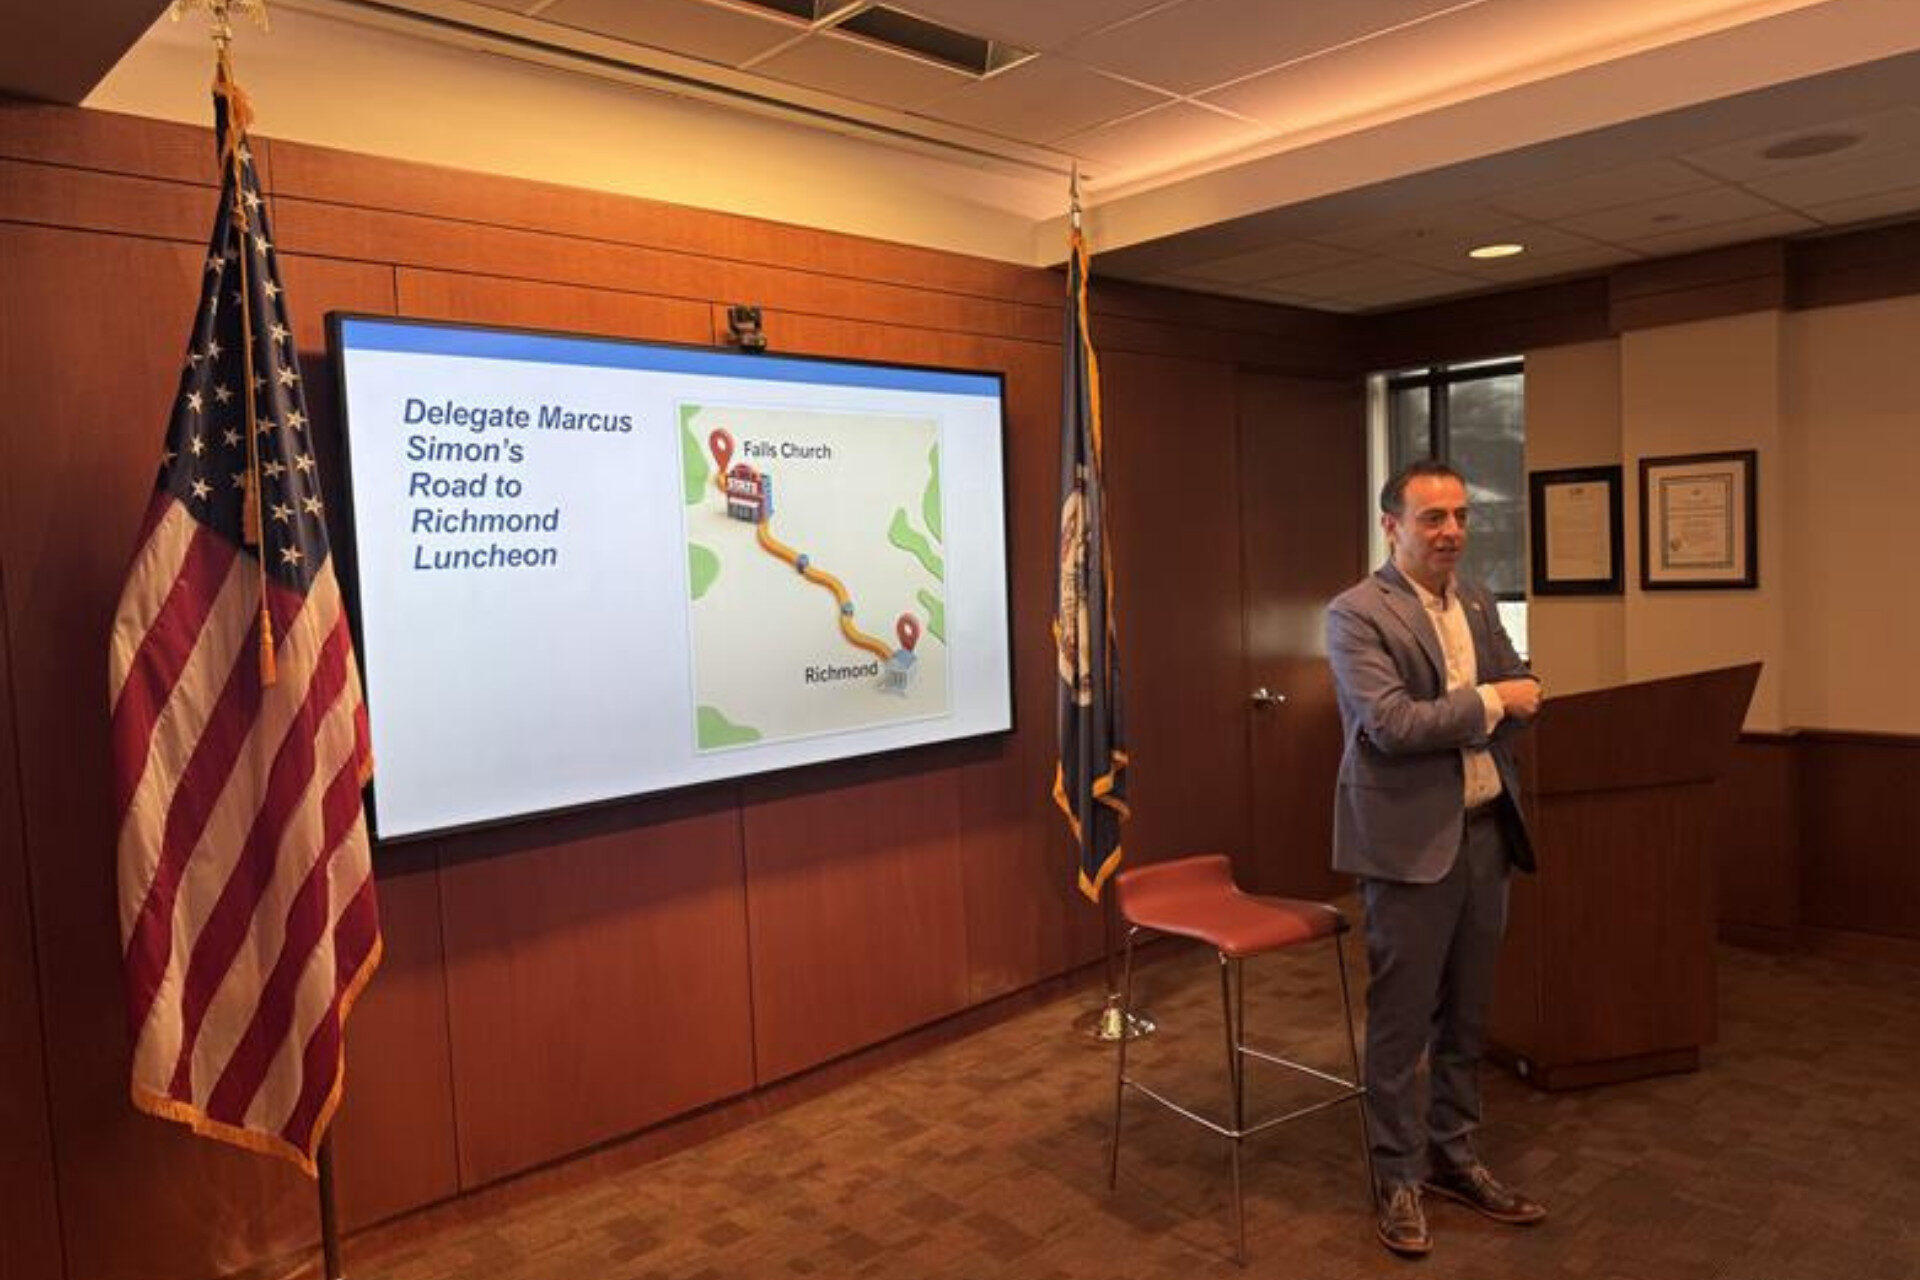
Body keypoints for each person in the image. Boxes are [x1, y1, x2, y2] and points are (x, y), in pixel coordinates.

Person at [1325, 458, 1547, 1258]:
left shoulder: (1477, 600)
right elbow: (1391, 724)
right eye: (1432, 518)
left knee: (1469, 1015)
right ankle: (1396, 1178)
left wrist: (1496, 702)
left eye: (1458, 516)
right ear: (1393, 526)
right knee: (1400, 1023)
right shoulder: (1356, 613)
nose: (1451, 531)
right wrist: (1491, 704)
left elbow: (1525, 685)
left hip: (1487, 833)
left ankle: (1454, 1157)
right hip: (1409, 849)